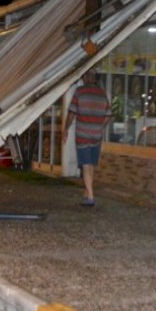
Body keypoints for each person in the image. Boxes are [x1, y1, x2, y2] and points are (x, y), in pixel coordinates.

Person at [62, 68, 112, 207]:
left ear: (85, 77)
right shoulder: (102, 94)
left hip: (82, 134)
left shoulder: (79, 92)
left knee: (85, 165)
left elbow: (72, 113)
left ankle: (90, 196)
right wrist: (99, 126)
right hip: (96, 135)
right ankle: (86, 191)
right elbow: (108, 115)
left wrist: (66, 128)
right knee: (90, 165)